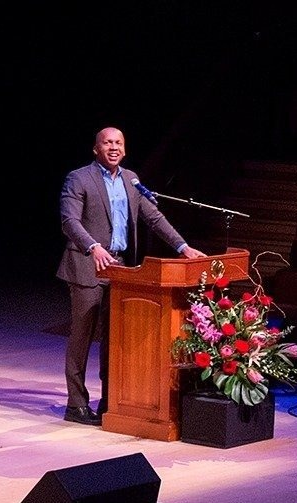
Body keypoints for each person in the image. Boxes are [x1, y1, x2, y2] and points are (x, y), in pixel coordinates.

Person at [58, 127, 206, 426]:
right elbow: (69, 220)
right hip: (89, 265)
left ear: (124, 150)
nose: (113, 147)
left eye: (118, 143)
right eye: (107, 142)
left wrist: (183, 246)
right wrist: (93, 247)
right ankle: (76, 405)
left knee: (116, 339)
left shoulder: (131, 180)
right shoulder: (79, 178)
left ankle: (110, 401)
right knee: (82, 337)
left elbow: (154, 217)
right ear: (96, 148)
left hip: (123, 270)